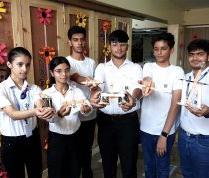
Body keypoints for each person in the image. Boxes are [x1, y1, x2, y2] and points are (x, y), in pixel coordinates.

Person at [0, 47, 55, 178]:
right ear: (9, 64)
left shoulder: (34, 88)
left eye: (27, 65)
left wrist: (43, 110)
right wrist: (37, 112)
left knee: (36, 173)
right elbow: (13, 114)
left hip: (32, 138)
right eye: (20, 64)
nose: (25, 69)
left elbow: (39, 102)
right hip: (11, 142)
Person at [91, 29, 142, 178]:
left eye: (122, 44)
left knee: (129, 164)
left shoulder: (135, 67)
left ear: (127, 46)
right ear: (109, 46)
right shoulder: (102, 68)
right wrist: (94, 95)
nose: (118, 48)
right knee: (108, 164)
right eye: (114, 44)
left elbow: (138, 88)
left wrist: (133, 98)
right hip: (106, 122)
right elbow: (97, 86)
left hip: (128, 122)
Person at [178, 39, 209, 178]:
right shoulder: (185, 77)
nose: (195, 58)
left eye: (200, 54)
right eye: (191, 54)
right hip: (184, 137)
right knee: (187, 174)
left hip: (205, 141)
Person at [140, 32, 184, 178]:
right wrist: (147, 84)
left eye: (163, 48)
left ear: (171, 50)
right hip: (146, 129)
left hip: (165, 131)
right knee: (148, 166)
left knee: (162, 167)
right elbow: (147, 79)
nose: (159, 52)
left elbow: (175, 105)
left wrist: (163, 135)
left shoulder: (177, 71)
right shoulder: (148, 67)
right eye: (156, 48)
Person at [42, 56, 92, 178]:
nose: (64, 74)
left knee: (75, 170)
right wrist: (58, 114)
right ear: (52, 73)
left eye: (67, 70)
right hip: (57, 139)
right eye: (58, 71)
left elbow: (87, 106)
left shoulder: (76, 91)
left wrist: (87, 110)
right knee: (57, 172)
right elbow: (49, 118)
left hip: (76, 137)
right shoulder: (47, 94)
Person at [66, 26, 97, 178]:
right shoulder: (66, 62)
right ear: (70, 42)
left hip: (90, 113)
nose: (79, 43)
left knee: (87, 149)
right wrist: (84, 79)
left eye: (82, 40)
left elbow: (95, 86)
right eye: (75, 40)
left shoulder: (91, 63)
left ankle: (87, 173)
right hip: (72, 114)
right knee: (74, 151)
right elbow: (74, 76)